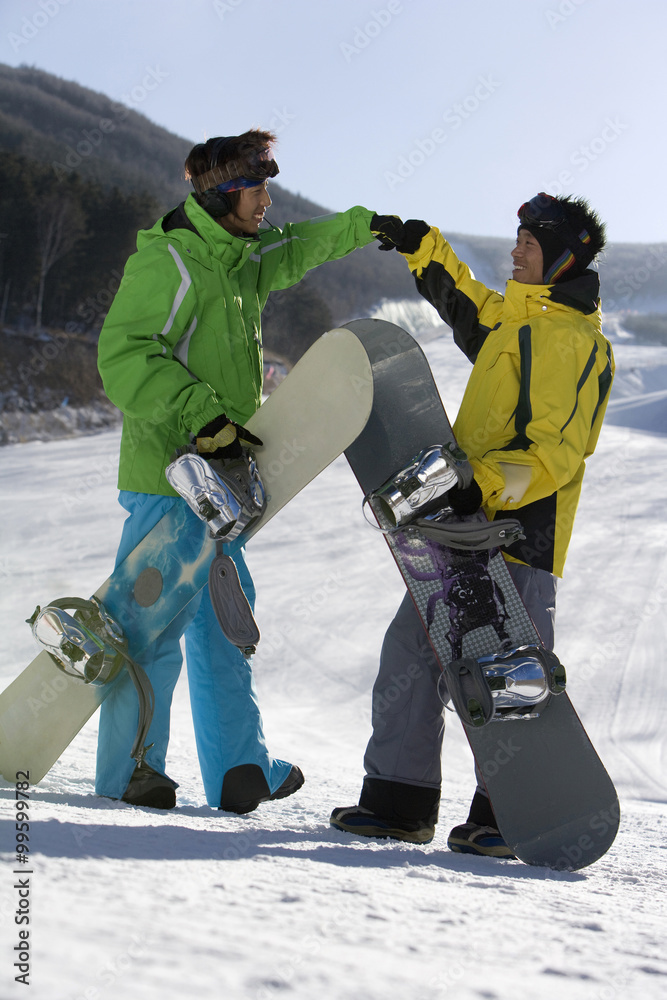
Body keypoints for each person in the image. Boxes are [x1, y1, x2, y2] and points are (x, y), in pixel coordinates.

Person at [95, 129, 380, 811]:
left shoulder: (240, 258)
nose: (266, 199)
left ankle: (237, 769)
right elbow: (124, 356)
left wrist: (366, 226)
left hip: (224, 475)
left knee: (226, 622)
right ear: (224, 192)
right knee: (151, 629)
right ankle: (130, 771)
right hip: (172, 476)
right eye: (255, 187)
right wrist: (201, 417)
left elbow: (299, 247)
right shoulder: (173, 260)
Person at [331, 193, 614, 857]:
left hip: (516, 537)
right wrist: (419, 245)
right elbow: (462, 302)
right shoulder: (515, 322)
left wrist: (477, 486)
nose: (515, 250)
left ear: (562, 256)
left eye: (528, 243)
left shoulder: (571, 341)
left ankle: (507, 815)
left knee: (505, 677)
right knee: (410, 651)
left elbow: (553, 454)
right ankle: (399, 801)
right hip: (463, 525)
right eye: (515, 239)